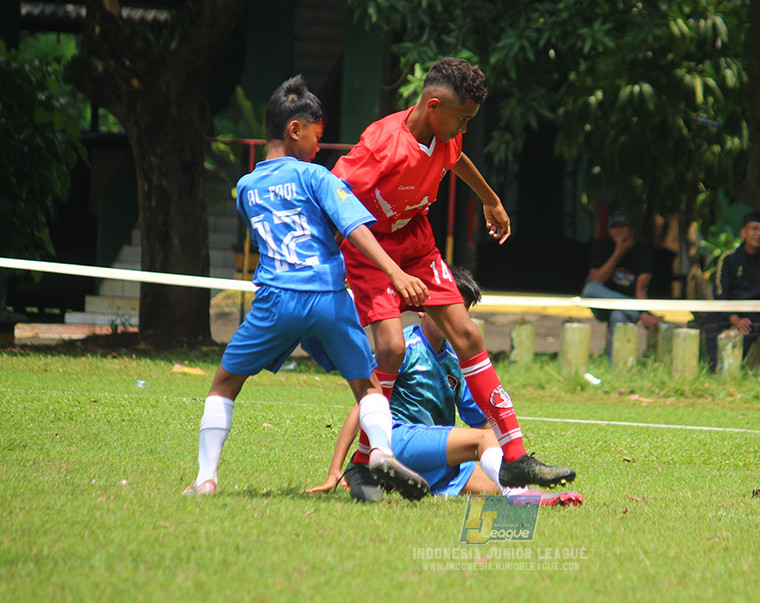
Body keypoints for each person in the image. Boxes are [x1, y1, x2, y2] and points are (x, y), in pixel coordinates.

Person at [182, 75, 431, 499]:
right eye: (317, 136)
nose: (319, 146)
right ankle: (382, 452)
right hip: (328, 299)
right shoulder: (317, 177)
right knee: (367, 384)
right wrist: (395, 272)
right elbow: (353, 226)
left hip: (275, 299)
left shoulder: (245, 188)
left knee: (225, 383)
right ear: (294, 129)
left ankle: (206, 478)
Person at [332, 57, 574, 487]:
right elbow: (335, 199)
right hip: (369, 247)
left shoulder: (445, 136)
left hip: (418, 244)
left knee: (469, 336)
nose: (463, 129)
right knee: (390, 350)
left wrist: (491, 199)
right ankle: (366, 460)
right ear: (435, 106)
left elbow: (456, 158)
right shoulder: (380, 144)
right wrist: (325, 264)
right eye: (462, 119)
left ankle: (516, 455)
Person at [306, 268, 582, 506]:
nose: (450, 317)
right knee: (487, 449)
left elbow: (484, 425)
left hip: (436, 456)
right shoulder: (403, 348)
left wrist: (507, 453)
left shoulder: (456, 361)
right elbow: (364, 403)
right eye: (445, 307)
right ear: (425, 307)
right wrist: (336, 470)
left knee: (496, 475)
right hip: (396, 443)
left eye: (459, 311)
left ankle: (533, 498)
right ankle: (520, 498)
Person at [703, 210, 760, 371]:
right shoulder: (728, 259)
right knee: (712, 323)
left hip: (754, 316)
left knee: (748, 328)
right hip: (726, 313)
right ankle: (714, 371)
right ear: (744, 232)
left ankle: (729, 372)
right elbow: (720, 294)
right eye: (754, 229)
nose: (759, 234)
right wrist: (734, 319)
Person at [581, 210, 664, 362]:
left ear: (631, 229)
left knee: (619, 315)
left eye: (623, 226)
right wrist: (618, 253)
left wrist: (641, 307)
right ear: (610, 230)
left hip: (627, 307)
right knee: (589, 288)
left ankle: (617, 368)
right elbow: (596, 280)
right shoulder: (603, 246)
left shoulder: (643, 251)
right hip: (604, 304)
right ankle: (638, 312)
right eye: (615, 227)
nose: (619, 231)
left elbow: (641, 289)